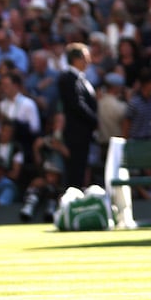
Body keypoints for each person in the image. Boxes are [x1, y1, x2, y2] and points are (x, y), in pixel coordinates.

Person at [57, 42, 99, 190]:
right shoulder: (69, 78)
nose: (88, 61)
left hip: (83, 134)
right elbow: (77, 105)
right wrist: (94, 120)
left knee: (80, 171)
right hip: (76, 135)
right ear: (76, 59)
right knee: (75, 173)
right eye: (86, 57)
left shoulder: (79, 78)